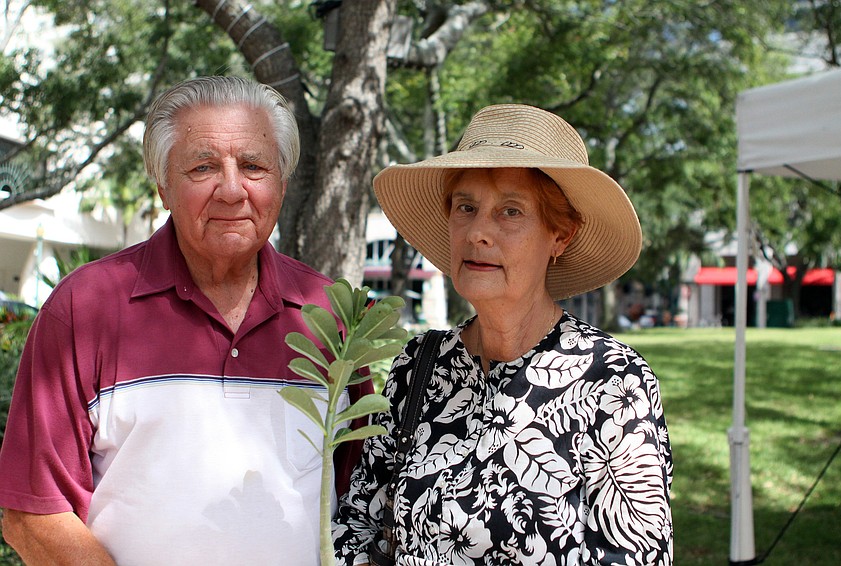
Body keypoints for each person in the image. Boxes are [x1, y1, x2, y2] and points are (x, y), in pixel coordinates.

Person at [0, 76, 371, 566]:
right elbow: (32, 511)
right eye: (203, 167)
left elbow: (365, 497)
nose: (233, 190)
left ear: (281, 183)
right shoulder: (86, 306)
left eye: (255, 166)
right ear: (163, 187)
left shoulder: (331, 313)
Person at [333, 104, 673, 565]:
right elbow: (357, 527)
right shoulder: (418, 366)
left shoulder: (614, 381)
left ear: (561, 236)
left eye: (510, 211)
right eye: (466, 207)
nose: (478, 232)